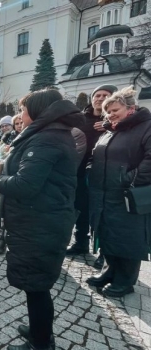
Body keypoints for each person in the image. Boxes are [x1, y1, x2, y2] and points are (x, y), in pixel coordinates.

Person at [0, 89, 84, 350]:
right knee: (35, 285)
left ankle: (41, 343)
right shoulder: (48, 135)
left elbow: (25, 184)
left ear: (38, 111)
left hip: (40, 223)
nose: (20, 115)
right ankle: (37, 330)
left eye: (23, 109)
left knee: (37, 287)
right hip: (39, 220)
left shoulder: (46, 139)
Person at [86, 86, 151, 298]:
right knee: (108, 234)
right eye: (108, 111)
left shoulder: (146, 127)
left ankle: (125, 280)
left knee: (127, 238)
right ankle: (110, 271)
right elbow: (98, 156)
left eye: (115, 110)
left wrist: (128, 178)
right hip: (105, 192)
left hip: (127, 194)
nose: (111, 114)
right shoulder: (111, 130)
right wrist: (91, 168)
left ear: (130, 108)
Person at [67, 85, 118, 271]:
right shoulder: (81, 118)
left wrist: (108, 126)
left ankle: (104, 253)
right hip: (79, 171)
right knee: (80, 208)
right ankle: (80, 243)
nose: (100, 98)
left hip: (103, 174)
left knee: (100, 213)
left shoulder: (114, 119)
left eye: (105, 95)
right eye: (97, 95)